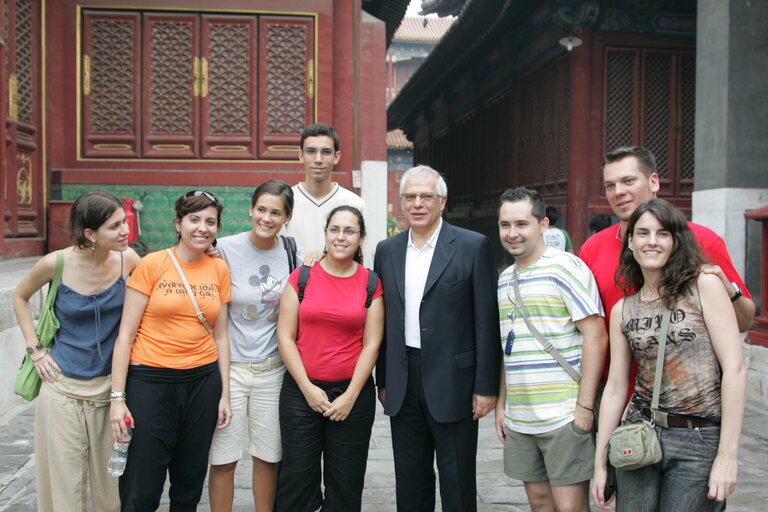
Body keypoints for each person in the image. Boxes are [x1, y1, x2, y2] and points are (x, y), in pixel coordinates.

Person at [591, 198, 747, 511]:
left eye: (663, 234)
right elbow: (617, 387)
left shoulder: (704, 286)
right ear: (630, 241)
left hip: (698, 438)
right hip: (638, 435)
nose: (652, 241)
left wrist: (727, 456)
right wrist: (600, 463)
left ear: (676, 241)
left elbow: (735, 369)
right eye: (643, 233)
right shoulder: (624, 309)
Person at [578, 147, 755, 400]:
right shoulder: (592, 248)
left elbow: (745, 321)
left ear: (653, 182)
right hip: (616, 400)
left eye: (628, 181)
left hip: (689, 409)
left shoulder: (702, 240)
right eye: (610, 185)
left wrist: (730, 290)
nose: (618, 192)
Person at [374, 165, 500, 511]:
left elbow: (486, 320)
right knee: (410, 482)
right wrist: (383, 380)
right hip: (403, 381)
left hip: (454, 380)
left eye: (426, 196)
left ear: (442, 201)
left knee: (457, 482)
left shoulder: (472, 246)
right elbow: (384, 322)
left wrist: (486, 386)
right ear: (401, 201)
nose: (417, 204)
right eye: (410, 197)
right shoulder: (387, 250)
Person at [11, 190, 140, 512]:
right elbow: (20, 297)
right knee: (64, 485)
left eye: (124, 222)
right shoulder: (56, 263)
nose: (125, 231)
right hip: (62, 388)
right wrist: (35, 349)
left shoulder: (129, 260)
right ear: (89, 234)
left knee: (111, 486)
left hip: (110, 392)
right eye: (114, 226)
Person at [110, 190, 232, 511]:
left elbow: (221, 337)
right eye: (194, 219)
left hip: (202, 384)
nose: (202, 228)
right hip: (150, 383)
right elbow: (125, 335)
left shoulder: (218, 270)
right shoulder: (153, 264)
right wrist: (117, 398)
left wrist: (225, 394)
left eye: (210, 221)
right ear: (178, 223)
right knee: (141, 485)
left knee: (189, 484)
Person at [495, 187, 607, 512]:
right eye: (505, 225)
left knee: (570, 507)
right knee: (540, 503)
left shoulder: (566, 268)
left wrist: (584, 408)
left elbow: (596, 336)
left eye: (521, 224)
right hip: (522, 415)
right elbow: (508, 347)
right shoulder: (504, 279)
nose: (512, 233)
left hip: (563, 413)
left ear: (543, 225)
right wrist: (504, 404)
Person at [275, 205, 383, 511]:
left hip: (351, 395)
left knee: (346, 484)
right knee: (297, 481)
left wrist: (350, 395)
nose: (341, 237)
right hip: (300, 393)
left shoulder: (371, 282)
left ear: (361, 238)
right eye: (334, 229)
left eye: (349, 231)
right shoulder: (302, 277)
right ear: (325, 234)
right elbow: (285, 336)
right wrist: (308, 389)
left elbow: (371, 345)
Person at [208, 180, 302, 512]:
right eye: (261, 209)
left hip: (271, 371)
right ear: (250, 209)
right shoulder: (223, 248)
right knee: (223, 457)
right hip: (229, 371)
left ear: (286, 217)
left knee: (267, 455)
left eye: (276, 212)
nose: (266, 218)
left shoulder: (292, 253)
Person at [283, 123, 366, 254]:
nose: (318, 159)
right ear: (301, 156)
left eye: (326, 152)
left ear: (336, 157)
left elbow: (364, 258)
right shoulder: (285, 202)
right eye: (311, 151)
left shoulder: (354, 204)